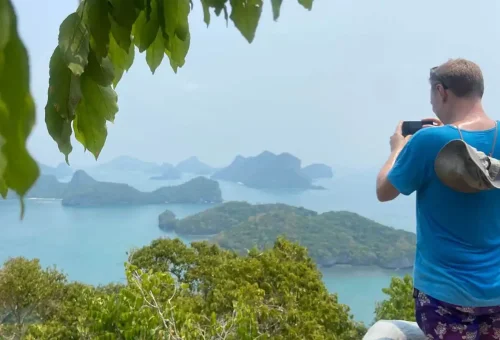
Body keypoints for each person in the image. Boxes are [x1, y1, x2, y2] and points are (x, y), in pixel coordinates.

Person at [376, 58, 500, 339]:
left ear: (442, 91)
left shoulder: (427, 141)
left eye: (432, 94)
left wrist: (397, 148)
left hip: (444, 300)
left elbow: (384, 190)